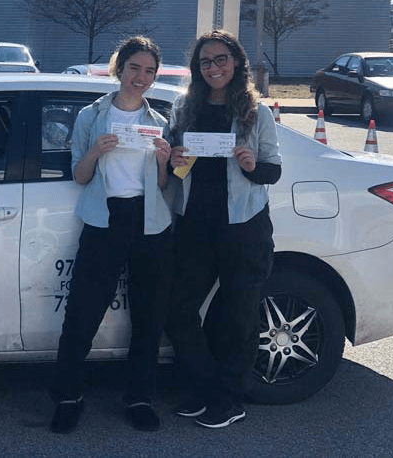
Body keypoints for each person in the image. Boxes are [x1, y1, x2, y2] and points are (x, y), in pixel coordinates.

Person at [49, 36, 174, 434]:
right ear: (120, 68)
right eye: (134, 67)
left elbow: (164, 184)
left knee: (150, 314)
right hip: (105, 219)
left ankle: (139, 396)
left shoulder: (158, 123)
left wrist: (163, 162)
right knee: (82, 311)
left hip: (149, 222)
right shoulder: (92, 116)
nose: (141, 77)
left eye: (149, 71)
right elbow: (79, 176)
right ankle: (68, 395)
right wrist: (95, 152)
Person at [165, 29, 281, 429]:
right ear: (197, 69)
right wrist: (173, 157)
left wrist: (252, 165)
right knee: (178, 309)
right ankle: (205, 385)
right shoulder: (184, 108)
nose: (213, 67)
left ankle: (230, 398)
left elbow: (273, 170)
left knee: (239, 315)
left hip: (243, 226)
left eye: (220, 59)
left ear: (236, 63)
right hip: (195, 225)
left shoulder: (256, 112)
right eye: (205, 61)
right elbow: (170, 165)